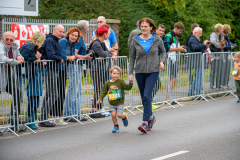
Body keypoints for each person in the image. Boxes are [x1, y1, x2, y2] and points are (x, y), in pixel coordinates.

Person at [129, 17, 166, 133]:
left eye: (146, 26)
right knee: (144, 98)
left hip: (153, 71)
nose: (143, 28)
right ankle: (151, 117)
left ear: (151, 27)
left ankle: (145, 122)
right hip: (139, 72)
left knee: (146, 96)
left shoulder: (157, 39)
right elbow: (132, 57)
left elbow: (163, 51)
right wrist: (130, 73)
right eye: (142, 26)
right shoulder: (135, 40)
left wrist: (161, 61)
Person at [18, 32, 46, 129]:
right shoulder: (30, 46)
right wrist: (35, 58)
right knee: (32, 102)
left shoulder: (33, 47)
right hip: (30, 77)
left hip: (35, 80)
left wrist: (39, 60)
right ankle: (30, 120)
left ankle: (32, 119)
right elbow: (23, 57)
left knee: (36, 102)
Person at [39, 24, 64, 127]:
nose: (61, 34)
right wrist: (60, 59)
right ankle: (44, 118)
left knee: (49, 94)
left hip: (54, 69)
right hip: (51, 69)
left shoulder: (55, 40)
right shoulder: (50, 40)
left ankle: (43, 118)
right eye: (60, 31)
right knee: (53, 95)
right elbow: (51, 55)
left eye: (63, 32)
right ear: (54, 30)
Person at [97, 65, 133, 133]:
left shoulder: (121, 82)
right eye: (114, 73)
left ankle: (124, 117)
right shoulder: (108, 83)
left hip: (120, 102)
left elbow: (127, 87)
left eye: (118, 74)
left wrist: (130, 83)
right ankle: (116, 126)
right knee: (113, 115)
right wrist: (100, 99)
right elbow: (103, 92)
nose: (116, 75)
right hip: (112, 103)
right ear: (110, 74)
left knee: (119, 115)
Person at [0, 31, 24, 124]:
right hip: (1, 75)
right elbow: (2, 58)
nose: (9, 41)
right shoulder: (1, 46)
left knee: (17, 92)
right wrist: (15, 61)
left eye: (11, 40)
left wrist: (20, 58)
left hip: (8, 75)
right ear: (3, 39)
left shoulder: (14, 47)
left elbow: (21, 56)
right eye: (7, 39)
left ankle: (14, 119)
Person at [90, 25, 113, 117]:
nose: (109, 34)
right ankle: (94, 110)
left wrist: (105, 54)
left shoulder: (102, 43)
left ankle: (97, 109)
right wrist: (104, 54)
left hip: (101, 69)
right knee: (99, 89)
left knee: (101, 89)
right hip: (95, 69)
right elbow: (104, 53)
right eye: (108, 33)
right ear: (104, 33)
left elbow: (109, 54)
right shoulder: (96, 43)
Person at [60, 27, 82, 122]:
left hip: (68, 66)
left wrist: (71, 57)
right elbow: (61, 54)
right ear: (69, 34)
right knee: (71, 90)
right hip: (62, 67)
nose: (73, 37)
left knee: (75, 91)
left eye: (75, 36)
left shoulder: (73, 44)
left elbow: (72, 55)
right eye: (72, 35)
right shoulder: (63, 41)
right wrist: (68, 57)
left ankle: (74, 113)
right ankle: (68, 114)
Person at [163, 22, 186, 103]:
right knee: (172, 78)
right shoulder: (169, 36)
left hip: (175, 59)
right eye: (180, 31)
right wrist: (178, 49)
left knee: (174, 79)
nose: (180, 33)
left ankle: (169, 98)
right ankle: (167, 99)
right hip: (171, 59)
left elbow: (176, 47)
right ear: (175, 28)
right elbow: (166, 49)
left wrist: (181, 49)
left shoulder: (176, 36)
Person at [187, 27, 211, 98]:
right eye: (200, 33)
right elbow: (195, 47)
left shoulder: (196, 39)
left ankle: (191, 91)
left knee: (198, 77)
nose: (201, 35)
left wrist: (206, 46)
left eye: (201, 33)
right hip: (196, 60)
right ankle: (197, 94)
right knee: (199, 77)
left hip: (198, 60)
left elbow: (200, 48)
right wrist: (204, 44)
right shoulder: (192, 39)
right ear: (195, 33)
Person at [151, 24, 166, 109]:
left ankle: (149, 101)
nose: (161, 32)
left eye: (163, 31)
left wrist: (161, 61)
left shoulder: (160, 39)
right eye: (160, 30)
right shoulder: (152, 37)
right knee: (156, 84)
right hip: (148, 65)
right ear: (156, 30)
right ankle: (148, 102)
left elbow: (163, 51)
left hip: (155, 65)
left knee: (157, 84)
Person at [209, 24, 224, 89]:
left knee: (219, 70)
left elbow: (223, 43)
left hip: (219, 54)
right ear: (219, 29)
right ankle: (211, 85)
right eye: (222, 29)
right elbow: (213, 42)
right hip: (213, 54)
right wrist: (220, 45)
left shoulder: (222, 35)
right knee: (213, 70)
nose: (223, 30)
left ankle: (218, 84)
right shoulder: (213, 35)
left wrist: (221, 44)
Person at [221, 24, 235, 88]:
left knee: (228, 69)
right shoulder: (223, 37)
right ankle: (223, 84)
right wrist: (230, 47)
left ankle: (226, 83)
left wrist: (231, 45)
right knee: (225, 69)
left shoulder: (227, 36)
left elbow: (227, 44)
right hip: (225, 54)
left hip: (228, 53)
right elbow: (223, 46)